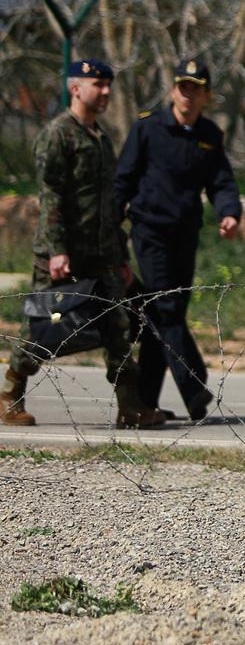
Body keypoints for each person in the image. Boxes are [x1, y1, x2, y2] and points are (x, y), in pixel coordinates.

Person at [2, 60, 163, 430]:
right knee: (42, 328)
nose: (105, 91)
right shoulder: (58, 134)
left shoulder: (100, 137)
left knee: (117, 327)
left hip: (101, 255)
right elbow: (52, 196)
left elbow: (107, 205)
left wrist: (120, 257)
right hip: (63, 255)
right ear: (76, 88)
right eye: (97, 84)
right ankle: (10, 394)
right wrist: (57, 250)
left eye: (108, 85)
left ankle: (130, 406)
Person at [114, 55, 243, 424]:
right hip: (149, 231)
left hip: (185, 234)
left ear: (206, 96)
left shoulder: (208, 136)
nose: (188, 95)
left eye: (196, 90)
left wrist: (229, 213)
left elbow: (222, 183)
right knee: (166, 309)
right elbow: (122, 180)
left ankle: (142, 403)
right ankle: (195, 388)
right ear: (173, 90)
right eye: (182, 87)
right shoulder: (148, 129)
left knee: (163, 316)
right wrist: (111, 232)